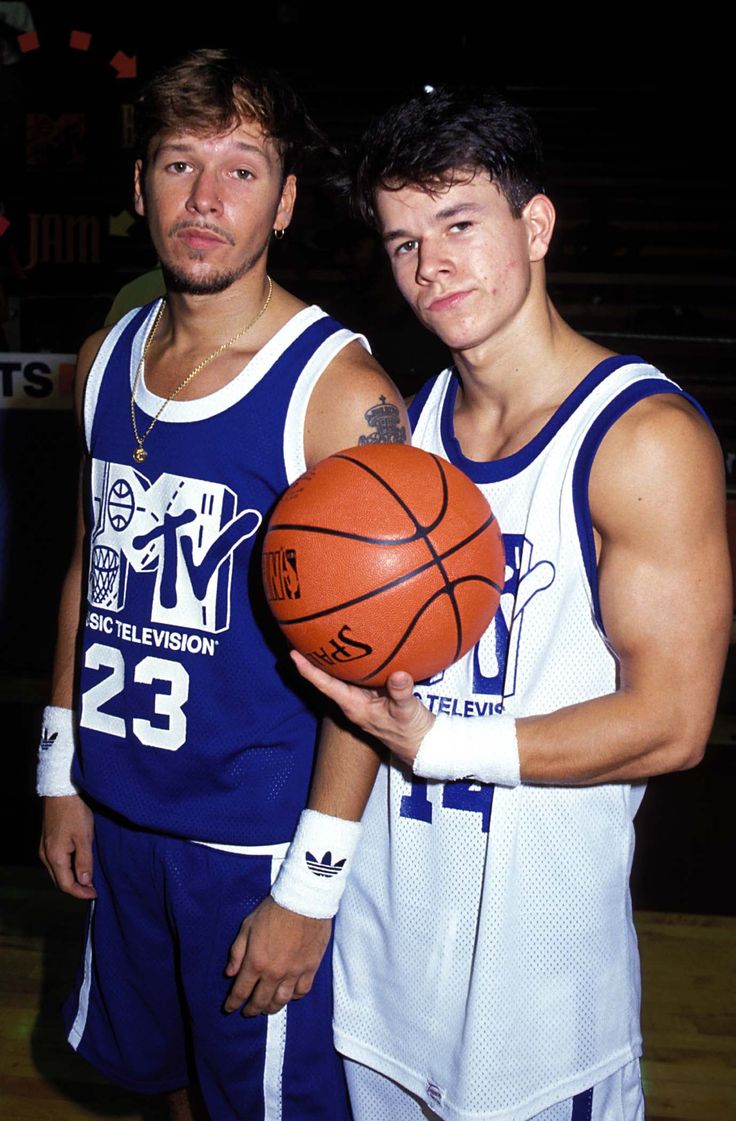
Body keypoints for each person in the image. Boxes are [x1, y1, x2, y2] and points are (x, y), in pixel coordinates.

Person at [291, 86, 733, 1121]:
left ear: (534, 225)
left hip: (534, 1010)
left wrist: (443, 741)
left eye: (457, 224)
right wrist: (310, 885)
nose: (429, 265)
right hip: (379, 973)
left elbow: (673, 723)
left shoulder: (641, 439)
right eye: (402, 242)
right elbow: (360, 684)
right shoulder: (405, 427)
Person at [36, 49, 408, 1121]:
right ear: (138, 185)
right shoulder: (104, 354)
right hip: (119, 811)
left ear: (286, 202)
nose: (205, 199)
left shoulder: (336, 389)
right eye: (178, 164)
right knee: (167, 1085)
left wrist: (311, 882)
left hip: (253, 838)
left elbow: (374, 661)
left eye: (242, 169)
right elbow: (87, 564)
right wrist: (63, 768)